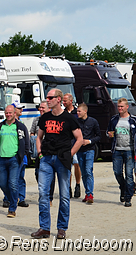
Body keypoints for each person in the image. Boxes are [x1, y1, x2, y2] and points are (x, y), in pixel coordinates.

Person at [31, 89, 83, 240]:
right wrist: (40, 153)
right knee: (43, 193)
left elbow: (79, 138)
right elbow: (39, 137)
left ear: (59, 99)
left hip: (62, 159)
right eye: (47, 97)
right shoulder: (45, 118)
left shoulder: (69, 118)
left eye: (50, 97)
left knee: (65, 195)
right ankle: (44, 228)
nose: (47, 100)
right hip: (46, 159)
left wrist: (70, 154)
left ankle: (61, 228)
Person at [0, 105, 29, 218]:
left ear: (14, 113)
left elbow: (26, 142)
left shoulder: (20, 126)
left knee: (13, 184)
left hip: (14, 159)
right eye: (6, 113)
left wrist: (21, 156)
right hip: (2, 159)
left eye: (10, 113)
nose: (8, 115)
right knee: (3, 184)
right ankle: (14, 198)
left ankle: (12, 208)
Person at [107, 98, 136, 207]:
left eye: (122, 106)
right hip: (117, 150)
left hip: (129, 150)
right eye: (118, 106)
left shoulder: (133, 120)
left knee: (129, 174)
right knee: (117, 172)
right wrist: (109, 134)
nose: (119, 108)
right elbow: (108, 131)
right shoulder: (114, 119)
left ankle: (128, 197)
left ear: (127, 107)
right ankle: (123, 187)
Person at [76, 103, 101, 204]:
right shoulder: (76, 122)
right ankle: (87, 193)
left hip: (90, 149)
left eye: (79, 111)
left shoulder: (93, 121)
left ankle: (90, 194)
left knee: (88, 170)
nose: (77, 113)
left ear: (85, 111)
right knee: (84, 173)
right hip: (79, 150)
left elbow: (99, 136)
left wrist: (89, 141)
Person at [63, 93, 82, 198]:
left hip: (75, 142)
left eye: (65, 101)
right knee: (67, 166)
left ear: (71, 101)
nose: (63, 103)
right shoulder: (63, 113)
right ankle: (68, 187)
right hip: (66, 142)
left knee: (77, 164)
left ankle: (78, 185)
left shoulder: (76, 113)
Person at [13, 103, 30, 208]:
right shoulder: (6, 124)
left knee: (20, 177)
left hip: (22, 155)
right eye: (19, 109)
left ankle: (21, 198)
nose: (21, 111)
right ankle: (9, 198)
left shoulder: (22, 123)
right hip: (12, 155)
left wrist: (26, 152)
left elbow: (26, 138)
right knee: (11, 178)